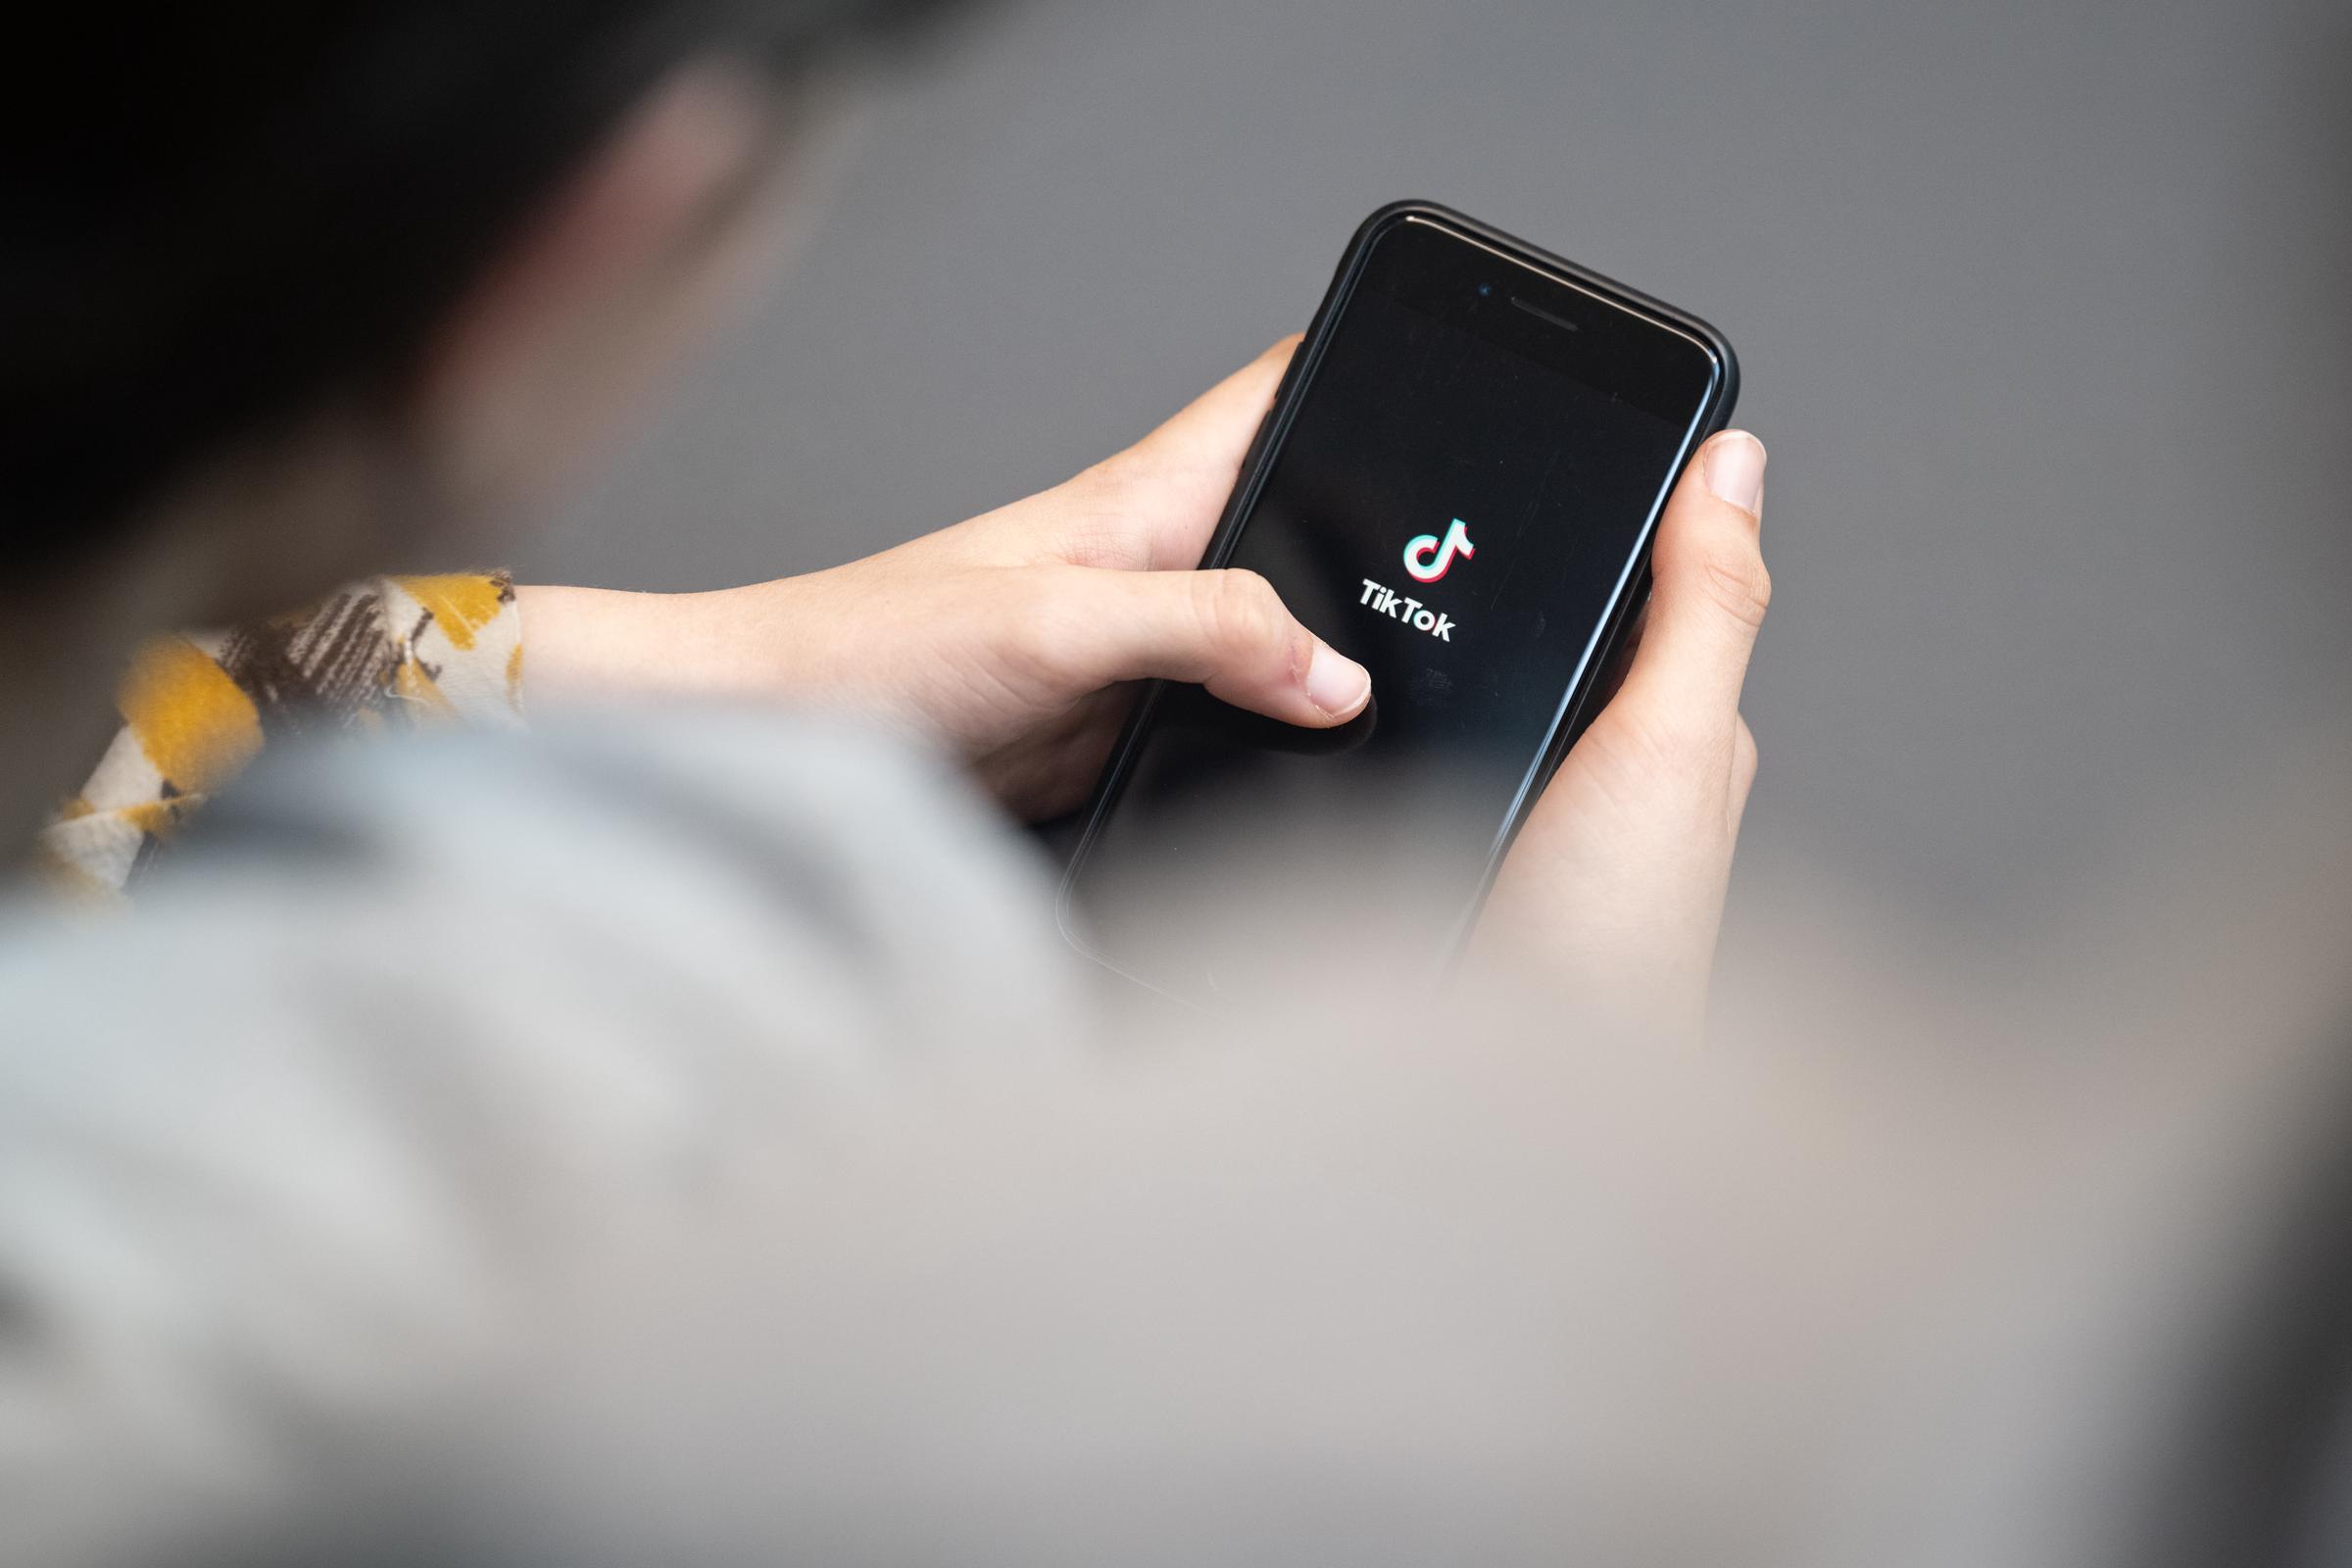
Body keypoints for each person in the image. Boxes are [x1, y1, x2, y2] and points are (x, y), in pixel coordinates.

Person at [0, 5, 1988, 1565]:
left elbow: (125, 731)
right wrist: (1526, 1183)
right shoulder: (463, 1185)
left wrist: (734, 666)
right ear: (599, 229)